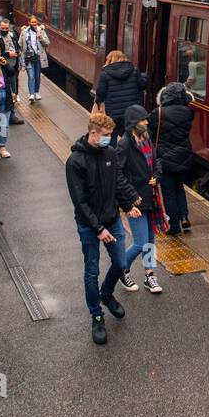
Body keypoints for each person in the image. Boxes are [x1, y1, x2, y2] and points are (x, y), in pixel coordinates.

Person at [66, 111, 142, 344]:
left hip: (112, 220)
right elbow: (79, 201)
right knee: (91, 271)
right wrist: (98, 229)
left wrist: (128, 204)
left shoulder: (109, 154)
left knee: (120, 263)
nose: (110, 138)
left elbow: (116, 183)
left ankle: (106, 294)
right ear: (93, 133)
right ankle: (96, 315)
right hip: (90, 227)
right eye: (106, 135)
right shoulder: (75, 162)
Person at [118, 104, 164, 294]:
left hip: (150, 196)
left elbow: (156, 160)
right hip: (135, 200)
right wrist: (131, 196)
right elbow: (118, 174)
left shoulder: (146, 137)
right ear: (133, 123)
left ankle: (149, 275)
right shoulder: (124, 145)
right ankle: (121, 269)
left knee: (150, 241)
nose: (146, 122)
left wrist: (157, 175)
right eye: (142, 120)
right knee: (140, 242)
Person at [148, 82, 194, 234]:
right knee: (179, 187)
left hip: (164, 158)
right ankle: (184, 217)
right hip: (184, 157)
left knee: (168, 192)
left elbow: (151, 134)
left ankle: (174, 226)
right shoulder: (188, 112)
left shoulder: (158, 113)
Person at [94, 51, 146, 145]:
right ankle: (129, 156)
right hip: (132, 113)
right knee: (131, 136)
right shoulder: (134, 71)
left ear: (109, 60)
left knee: (111, 134)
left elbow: (100, 94)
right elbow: (142, 85)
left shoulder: (105, 74)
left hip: (114, 113)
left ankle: (111, 156)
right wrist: (144, 76)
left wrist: (99, 104)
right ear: (124, 59)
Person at [0, 18, 24, 124]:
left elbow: (17, 46)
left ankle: (11, 115)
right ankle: (5, 115)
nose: (5, 30)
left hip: (14, 67)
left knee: (14, 92)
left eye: (6, 28)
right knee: (5, 93)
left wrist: (18, 52)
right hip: (3, 69)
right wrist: (8, 54)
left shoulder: (12, 35)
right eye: (3, 28)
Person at [18, 16, 50, 101]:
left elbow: (47, 43)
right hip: (28, 58)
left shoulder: (41, 31)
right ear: (29, 22)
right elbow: (20, 44)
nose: (34, 24)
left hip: (38, 57)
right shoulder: (24, 32)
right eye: (32, 22)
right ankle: (31, 94)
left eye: (35, 22)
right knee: (31, 76)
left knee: (37, 76)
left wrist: (40, 37)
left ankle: (36, 92)